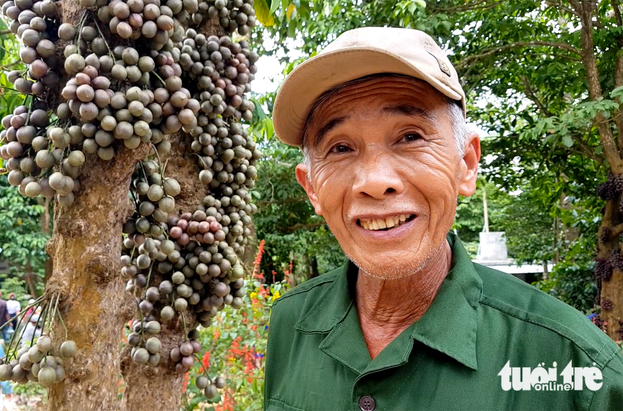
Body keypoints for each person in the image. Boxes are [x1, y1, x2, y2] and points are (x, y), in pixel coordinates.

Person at [264, 27, 623, 410]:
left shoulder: (577, 367)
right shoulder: (290, 322)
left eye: (410, 137)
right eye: (340, 147)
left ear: (466, 164)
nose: (375, 182)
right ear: (312, 188)